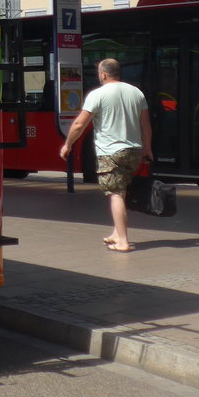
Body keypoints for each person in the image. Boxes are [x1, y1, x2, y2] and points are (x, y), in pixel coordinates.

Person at [59, 58, 152, 252]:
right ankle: (117, 233)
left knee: (115, 194)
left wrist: (68, 144)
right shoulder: (137, 93)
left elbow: (79, 124)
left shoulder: (97, 94)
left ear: (103, 74)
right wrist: (147, 147)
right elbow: (145, 125)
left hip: (111, 152)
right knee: (122, 191)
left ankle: (123, 241)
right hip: (133, 150)